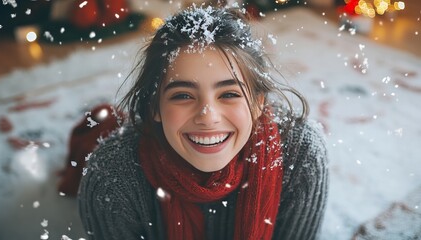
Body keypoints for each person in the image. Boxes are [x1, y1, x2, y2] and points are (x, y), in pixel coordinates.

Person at [78, 4, 329, 240]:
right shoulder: (112, 176)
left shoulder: (300, 156)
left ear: (257, 104)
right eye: (183, 95)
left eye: (229, 94)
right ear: (154, 106)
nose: (208, 116)